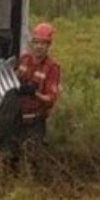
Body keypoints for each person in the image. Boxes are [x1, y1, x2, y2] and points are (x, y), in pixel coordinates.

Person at [7, 21, 62, 167]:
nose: (38, 46)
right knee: (10, 158)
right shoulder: (24, 60)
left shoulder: (52, 68)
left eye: (42, 43)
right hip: (17, 119)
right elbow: (13, 79)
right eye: (36, 42)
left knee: (32, 161)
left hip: (35, 123)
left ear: (48, 45)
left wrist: (34, 93)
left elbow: (50, 99)